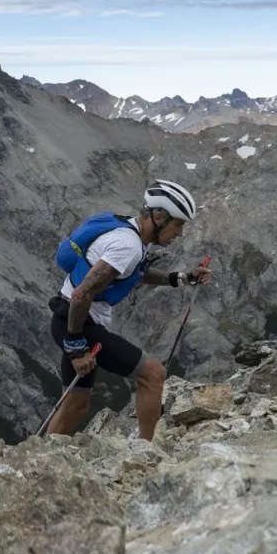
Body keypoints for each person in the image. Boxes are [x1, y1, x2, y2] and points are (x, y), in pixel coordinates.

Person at [46, 179, 212, 440]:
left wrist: (179, 278)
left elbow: (134, 272)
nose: (179, 233)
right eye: (178, 224)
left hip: (66, 318)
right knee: (154, 374)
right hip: (79, 323)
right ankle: (145, 452)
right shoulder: (128, 246)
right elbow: (82, 295)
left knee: (75, 405)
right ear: (158, 217)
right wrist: (77, 347)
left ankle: (42, 458)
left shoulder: (131, 232)